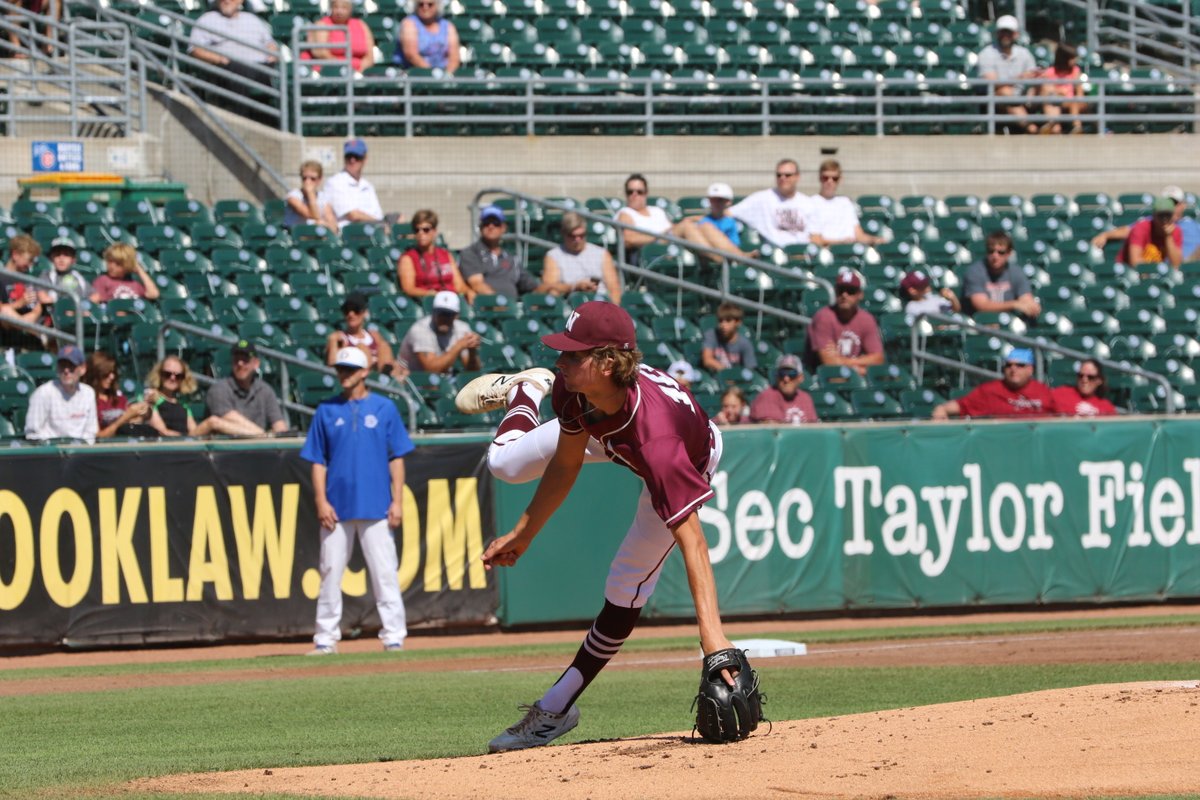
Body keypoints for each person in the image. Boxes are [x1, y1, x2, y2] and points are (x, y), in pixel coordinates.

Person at [452, 301, 740, 752]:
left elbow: (695, 544)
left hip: (678, 452)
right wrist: (524, 532)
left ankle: (554, 708)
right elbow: (566, 466)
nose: (561, 361)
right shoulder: (575, 390)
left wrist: (713, 637)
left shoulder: (659, 443)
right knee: (503, 463)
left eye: (572, 355)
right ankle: (524, 392)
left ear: (608, 362)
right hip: (611, 431)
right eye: (562, 354)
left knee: (626, 584)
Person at [301, 346, 415, 655]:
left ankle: (394, 635)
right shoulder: (325, 410)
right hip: (336, 507)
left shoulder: (384, 408)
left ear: (365, 371)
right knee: (329, 572)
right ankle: (325, 639)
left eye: (350, 369)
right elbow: (317, 461)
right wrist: (321, 501)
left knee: (384, 572)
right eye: (341, 369)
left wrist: (398, 500)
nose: (344, 375)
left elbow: (397, 458)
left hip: (376, 505)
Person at [615, 174, 741, 263]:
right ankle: (720, 259)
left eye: (639, 192)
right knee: (687, 225)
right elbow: (628, 240)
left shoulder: (656, 211)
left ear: (646, 193)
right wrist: (660, 235)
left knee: (705, 224)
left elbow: (673, 228)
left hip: (672, 242)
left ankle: (739, 256)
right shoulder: (626, 213)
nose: (634, 195)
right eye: (630, 191)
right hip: (652, 249)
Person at [188, 0, 279, 100]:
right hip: (231, 67)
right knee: (240, 72)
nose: (226, 1)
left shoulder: (252, 19)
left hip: (261, 65)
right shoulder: (207, 19)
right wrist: (219, 59)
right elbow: (195, 50)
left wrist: (273, 54)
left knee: (286, 75)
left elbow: (271, 44)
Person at [931, 347, 1055, 419]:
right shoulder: (990, 391)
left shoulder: (1043, 392)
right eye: (1008, 365)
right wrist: (942, 409)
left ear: (1030, 369)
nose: (1013, 369)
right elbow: (960, 406)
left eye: (1020, 365)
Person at [459, 205, 552, 300]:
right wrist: (501, 303)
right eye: (486, 223)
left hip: (513, 309)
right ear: (481, 227)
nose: (491, 226)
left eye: (495, 223)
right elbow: (477, 285)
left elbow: (532, 286)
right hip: (486, 308)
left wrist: (553, 288)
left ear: (503, 228)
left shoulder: (510, 258)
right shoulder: (471, 253)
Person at [803, 268, 885, 376]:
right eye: (840, 290)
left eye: (850, 291)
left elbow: (878, 359)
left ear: (860, 294)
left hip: (855, 379)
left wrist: (845, 362)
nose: (844, 295)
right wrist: (861, 366)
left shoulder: (867, 319)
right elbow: (829, 363)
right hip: (824, 378)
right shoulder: (823, 317)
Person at [1091, 186, 1200, 264]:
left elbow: (1177, 264)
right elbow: (1129, 231)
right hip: (1159, 268)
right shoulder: (1147, 223)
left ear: (1183, 205)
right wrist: (1106, 235)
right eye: (1167, 203)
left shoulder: (1188, 226)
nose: (1169, 207)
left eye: (1174, 204)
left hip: (1188, 265)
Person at [205, 339, 290, 435]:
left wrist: (279, 434)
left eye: (245, 359)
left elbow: (279, 424)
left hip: (259, 448)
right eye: (236, 359)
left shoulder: (265, 390)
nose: (240, 363)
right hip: (227, 447)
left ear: (256, 364)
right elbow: (228, 417)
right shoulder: (219, 389)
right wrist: (263, 435)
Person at [728, 158, 815, 248]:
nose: (782, 178)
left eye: (787, 175)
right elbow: (730, 212)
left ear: (797, 177)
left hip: (803, 254)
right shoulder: (761, 199)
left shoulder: (807, 203)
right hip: (775, 253)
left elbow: (815, 236)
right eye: (779, 175)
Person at [976, 14, 1039, 134]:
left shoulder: (1024, 53)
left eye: (1009, 32)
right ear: (997, 34)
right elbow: (993, 84)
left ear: (1016, 34)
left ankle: (1056, 127)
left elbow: (1032, 76)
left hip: (1023, 96)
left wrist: (1032, 90)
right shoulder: (986, 54)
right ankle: (1033, 129)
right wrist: (1020, 78)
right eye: (1002, 32)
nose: (1005, 36)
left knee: (1045, 87)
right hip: (997, 100)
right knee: (1005, 92)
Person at [542, 212, 622, 303]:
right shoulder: (554, 256)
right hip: (571, 305)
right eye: (572, 236)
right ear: (563, 234)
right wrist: (575, 287)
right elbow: (549, 287)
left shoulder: (601, 254)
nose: (577, 240)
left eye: (581, 235)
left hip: (600, 303)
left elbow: (614, 288)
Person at [24, 344, 97, 443]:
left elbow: (91, 432)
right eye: (63, 366)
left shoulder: (89, 393)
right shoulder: (43, 393)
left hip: (80, 452)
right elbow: (32, 433)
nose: (66, 371)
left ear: (83, 369)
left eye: (71, 366)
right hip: (51, 452)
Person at [960, 231, 1040, 319]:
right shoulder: (975, 272)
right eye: (991, 251)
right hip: (981, 323)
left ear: (1009, 253)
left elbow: (1026, 299)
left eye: (1000, 252)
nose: (995, 256)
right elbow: (981, 305)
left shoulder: (1016, 272)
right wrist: (1014, 304)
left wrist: (1031, 306)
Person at [397, 290, 481, 374]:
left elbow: (472, 372)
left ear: (456, 315)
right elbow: (431, 370)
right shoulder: (420, 329)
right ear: (433, 312)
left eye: (449, 314)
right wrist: (458, 346)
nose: (444, 318)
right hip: (412, 379)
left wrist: (472, 351)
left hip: (444, 380)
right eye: (441, 313)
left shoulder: (462, 328)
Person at [396, 209, 472, 301]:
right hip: (427, 303)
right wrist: (430, 294)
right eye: (417, 230)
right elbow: (408, 289)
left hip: (451, 300)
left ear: (434, 231)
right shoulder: (408, 258)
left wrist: (468, 291)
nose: (421, 233)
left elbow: (459, 285)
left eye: (426, 230)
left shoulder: (445, 255)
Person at [809, 160, 886, 247]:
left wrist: (876, 240)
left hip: (851, 250)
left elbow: (859, 235)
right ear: (820, 178)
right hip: (827, 252)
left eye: (834, 178)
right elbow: (815, 239)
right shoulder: (811, 203)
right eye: (825, 178)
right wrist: (841, 242)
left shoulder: (845, 202)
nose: (830, 181)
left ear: (840, 179)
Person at [325, 291, 400, 377]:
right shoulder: (338, 337)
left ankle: (386, 379)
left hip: (377, 376)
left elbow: (387, 360)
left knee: (384, 347)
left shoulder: (374, 335)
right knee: (362, 348)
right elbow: (332, 368)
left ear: (365, 313)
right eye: (346, 311)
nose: (351, 314)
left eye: (356, 310)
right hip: (355, 378)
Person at [83, 350, 152, 439]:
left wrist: (143, 411)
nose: (112, 377)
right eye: (106, 373)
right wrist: (125, 417)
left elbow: (132, 420)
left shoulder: (118, 399)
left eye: (113, 372)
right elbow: (99, 437)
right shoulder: (88, 400)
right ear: (96, 373)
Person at [324, 139, 387, 229]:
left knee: (399, 219)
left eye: (357, 157)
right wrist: (380, 223)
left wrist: (381, 223)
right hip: (350, 235)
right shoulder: (335, 182)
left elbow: (378, 214)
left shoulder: (367, 186)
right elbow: (353, 215)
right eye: (349, 156)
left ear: (365, 159)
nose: (352, 160)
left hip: (372, 231)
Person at [0, 233, 47, 349]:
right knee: (5, 310)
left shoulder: (28, 279)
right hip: (6, 327)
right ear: (15, 255)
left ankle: (29, 330)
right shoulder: (1, 277)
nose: (31, 265)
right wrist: (19, 303)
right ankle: (33, 331)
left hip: (27, 324)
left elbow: (37, 309)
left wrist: (23, 322)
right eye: (29, 260)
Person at [304, 0, 376, 72]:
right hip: (330, 70)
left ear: (350, 9)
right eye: (335, 7)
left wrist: (359, 71)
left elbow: (369, 56)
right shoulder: (322, 24)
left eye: (344, 8)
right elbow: (320, 52)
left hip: (358, 71)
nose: (339, 11)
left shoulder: (361, 25)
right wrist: (344, 69)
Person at [749, 354, 818, 424]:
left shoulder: (805, 399)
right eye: (782, 373)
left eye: (792, 374)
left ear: (800, 377)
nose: (786, 379)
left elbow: (814, 429)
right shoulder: (767, 397)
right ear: (777, 377)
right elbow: (773, 430)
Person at [395, 0, 460, 73]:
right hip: (415, 73)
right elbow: (411, 55)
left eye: (430, 4)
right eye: (421, 4)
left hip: (442, 74)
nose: (425, 7)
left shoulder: (448, 26)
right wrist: (432, 74)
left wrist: (447, 75)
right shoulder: (409, 23)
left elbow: (454, 57)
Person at [1038, 42, 1086, 135]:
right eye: (1072, 58)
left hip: (1070, 103)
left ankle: (1077, 127)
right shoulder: (1050, 72)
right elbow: (1045, 92)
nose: (1075, 60)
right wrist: (1058, 92)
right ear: (1063, 58)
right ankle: (1051, 125)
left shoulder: (1075, 71)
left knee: (1074, 102)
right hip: (1054, 102)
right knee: (1055, 130)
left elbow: (1080, 93)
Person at [89, 243, 160, 304]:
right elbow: (95, 301)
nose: (112, 266)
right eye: (110, 261)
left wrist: (139, 270)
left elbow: (153, 294)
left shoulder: (134, 283)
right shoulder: (103, 280)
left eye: (118, 263)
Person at [701, 302, 757, 373]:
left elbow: (750, 370)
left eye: (728, 321)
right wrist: (727, 373)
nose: (723, 325)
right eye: (721, 321)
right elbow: (707, 360)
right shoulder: (712, 334)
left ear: (738, 322)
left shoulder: (745, 344)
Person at [283, 160, 338, 230]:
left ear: (319, 180)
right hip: (295, 234)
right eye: (304, 178)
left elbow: (331, 222)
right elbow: (314, 216)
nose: (308, 182)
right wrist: (310, 193)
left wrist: (327, 225)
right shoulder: (293, 196)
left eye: (312, 179)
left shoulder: (323, 197)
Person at [1052, 358, 1117, 417]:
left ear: (1099, 380)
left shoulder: (1107, 407)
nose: (1084, 380)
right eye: (1081, 375)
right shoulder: (1061, 393)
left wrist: (1097, 415)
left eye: (1090, 377)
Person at [39, 237, 90, 309]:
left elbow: (95, 295)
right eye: (57, 254)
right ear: (51, 258)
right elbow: (42, 297)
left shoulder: (78, 277)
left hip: (78, 314)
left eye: (66, 255)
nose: (61, 259)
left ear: (73, 259)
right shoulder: (46, 275)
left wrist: (82, 306)